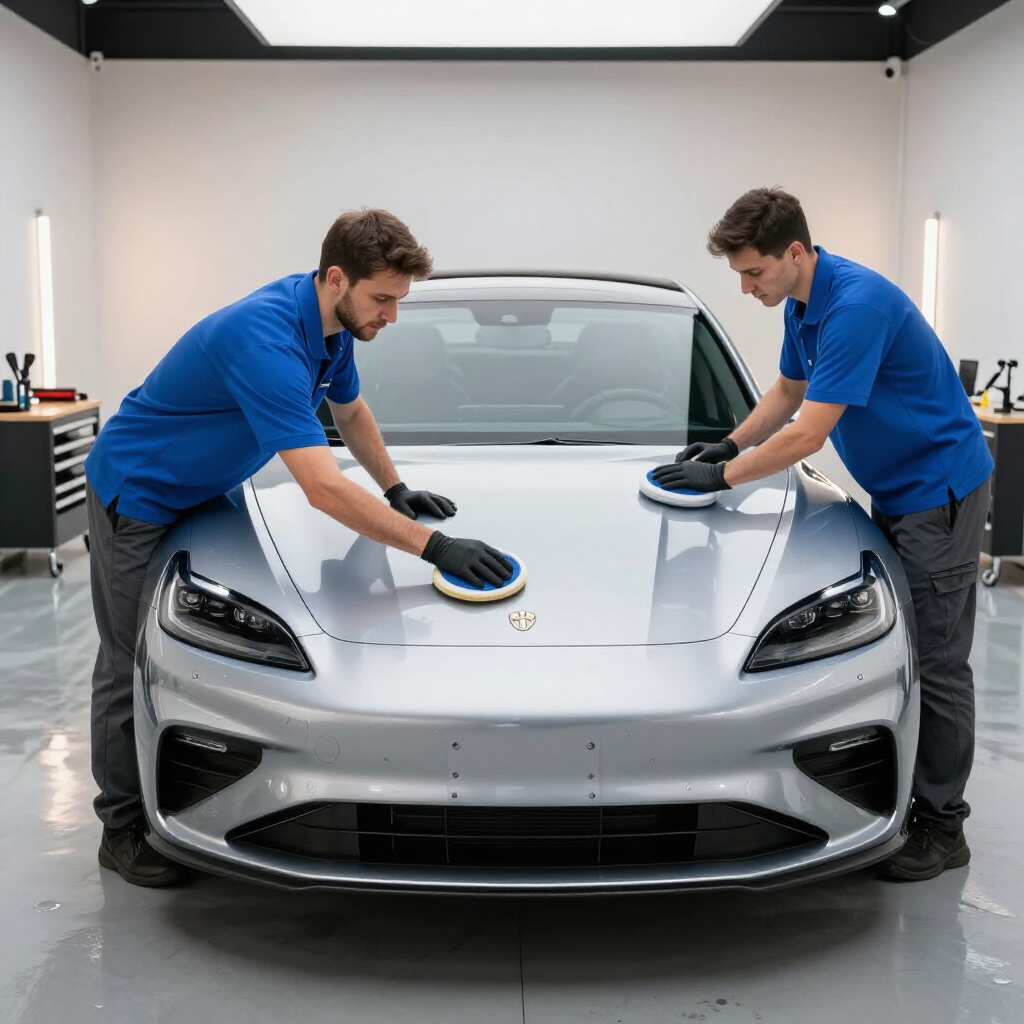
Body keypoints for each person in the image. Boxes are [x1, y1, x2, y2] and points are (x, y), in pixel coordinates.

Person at [84, 208, 512, 887]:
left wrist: (397, 488)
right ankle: (121, 826)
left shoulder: (334, 327)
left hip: (206, 487)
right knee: (130, 656)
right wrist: (434, 547)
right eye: (383, 300)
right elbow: (320, 488)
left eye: (399, 301)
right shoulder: (263, 338)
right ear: (336, 277)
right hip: (137, 495)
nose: (392, 317)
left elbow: (350, 412)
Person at [653, 187, 993, 881]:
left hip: (941, 491)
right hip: (898, 489)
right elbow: (785, 393)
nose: (748, 289)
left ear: (796, 252)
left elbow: (810, 430)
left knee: (937, 656)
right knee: (908, 647)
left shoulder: (856, 307)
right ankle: (908, 797)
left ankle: (941, 824)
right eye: (741, 276)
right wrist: (725, 446)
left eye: (754, 273)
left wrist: (725, 481)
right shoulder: (806, 303)